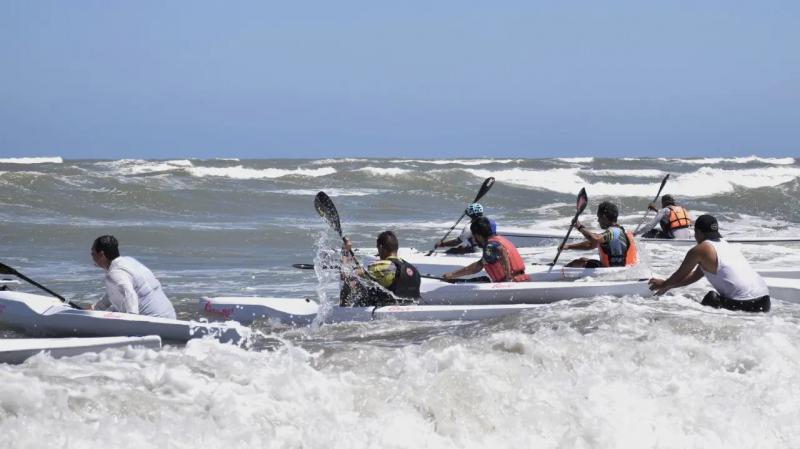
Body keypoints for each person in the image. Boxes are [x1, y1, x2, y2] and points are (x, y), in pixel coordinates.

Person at [648, 215, 770, 312]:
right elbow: (695, 275)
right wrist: (669, 286)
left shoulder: (701, 249)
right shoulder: (725, 245)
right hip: (764, 302)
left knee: (710, 298)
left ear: (698, 232)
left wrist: (664, 283)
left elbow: (681, 274)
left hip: (745, 305)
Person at [89, 235, 177, 319]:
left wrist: (132, 318)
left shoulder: (114, 273)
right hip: (170, 316)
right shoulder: (129, 261)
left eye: (93, 253)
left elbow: (129, 294)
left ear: (101, 255)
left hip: (154, 321)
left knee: (116, 312)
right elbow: (113, 294)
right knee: (113, 310)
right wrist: (95, 308)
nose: (92, 256)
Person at [340, 230, 421, 307]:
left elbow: (345, 275)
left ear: (381, 247)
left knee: (351, 281)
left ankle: (343, 310)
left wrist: (345, 251)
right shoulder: (413, 269)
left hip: (386, 308)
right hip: (410, 306)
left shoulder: (381, 267)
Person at [441, 217, 530, 282]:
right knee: (483, 279)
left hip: (511, 284)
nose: (474, 240)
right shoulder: (501, 240)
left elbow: (477, 267)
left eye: (474, 236)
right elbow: (482, 262)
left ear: (478, 235)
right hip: (522, 279)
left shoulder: (490, 246)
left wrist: (452, 274)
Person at [559, 201, 638, 268]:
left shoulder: (613, 232)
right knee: (582, 260)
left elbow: (595, 239)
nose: (598, 220)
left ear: (604, 217)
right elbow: (591, 244)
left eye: (598, 217)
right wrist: (569, 246)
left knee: (579, 263)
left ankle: (561, 273)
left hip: (612, 271)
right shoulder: (620, 231)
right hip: (624, 268)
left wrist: (579, 227)